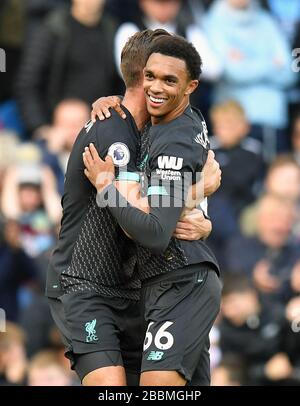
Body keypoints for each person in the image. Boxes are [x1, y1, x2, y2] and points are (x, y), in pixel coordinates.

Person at [46, 29, 220, 387]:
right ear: (144, 75)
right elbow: (139, 219)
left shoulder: (161, 130)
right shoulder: (115, 131)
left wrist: (202, 216)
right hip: (86, 284)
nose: (161, 83)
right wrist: (199, 189)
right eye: (155, 74)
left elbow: (170, 206)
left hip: (133, 290)